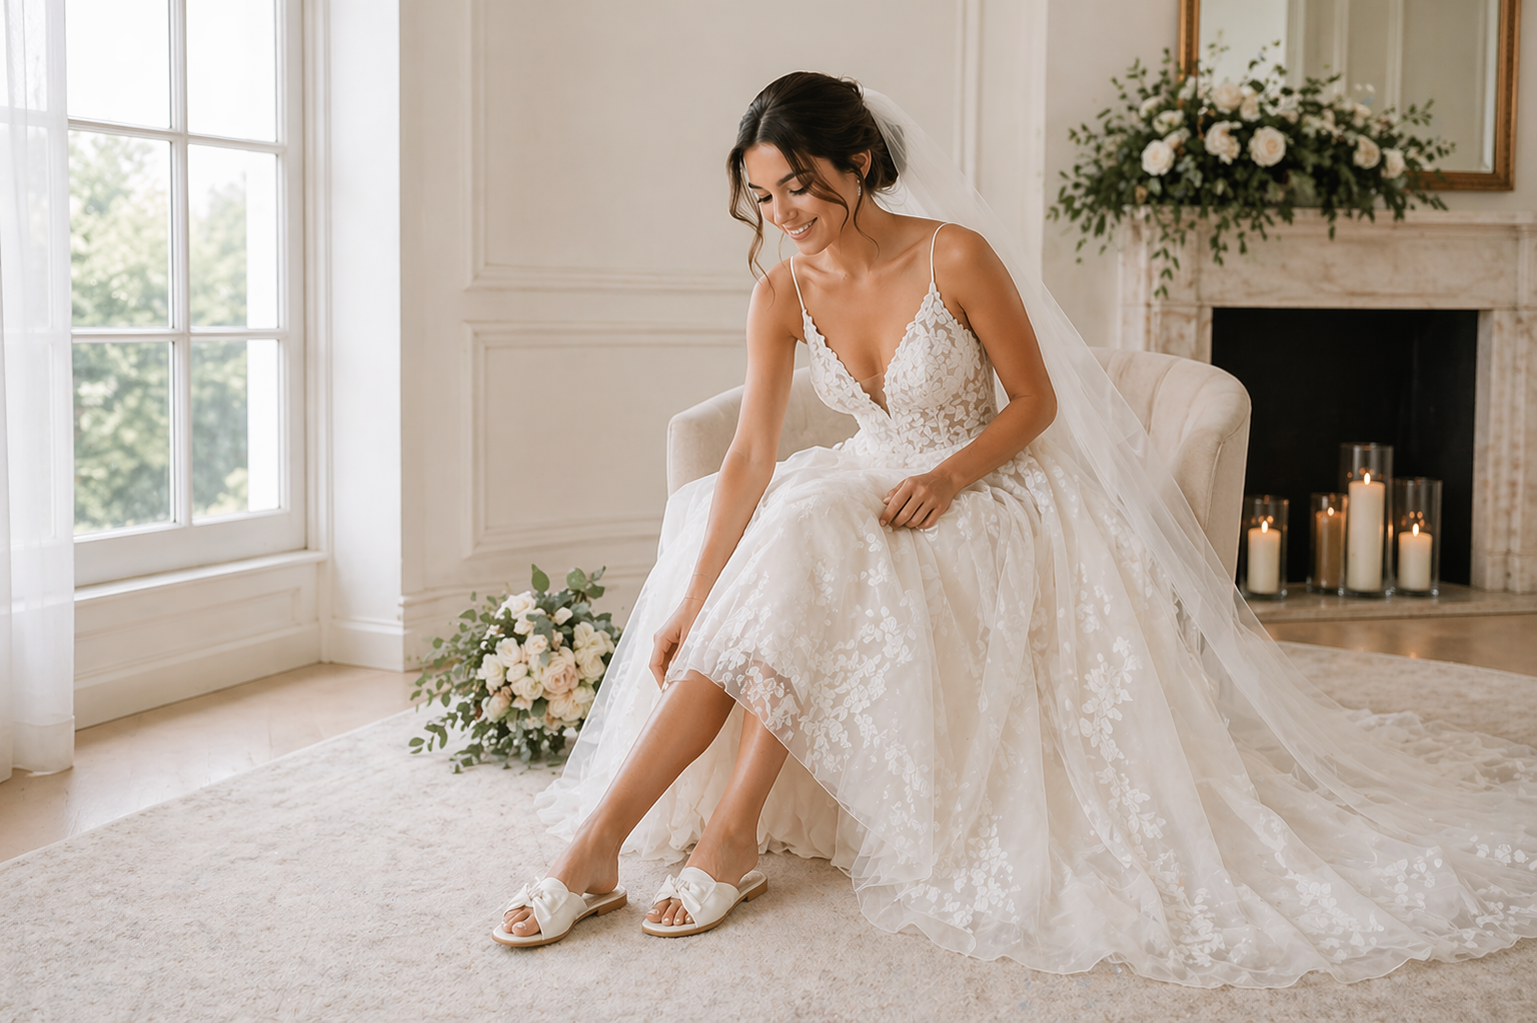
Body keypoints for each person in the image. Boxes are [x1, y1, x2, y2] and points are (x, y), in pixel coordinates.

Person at [499, 72, 1537, 987]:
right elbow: (746, 460)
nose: (783, 216)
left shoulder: (954, 254)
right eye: (763, 197)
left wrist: (948, 478)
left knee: (821, 539)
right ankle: (612, 846)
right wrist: (691, 602)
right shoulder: (781, 289)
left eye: (801, 189)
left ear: (857, 162)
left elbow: (1034, 403)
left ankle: (701, 843)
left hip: (986, 492)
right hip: (858, 491)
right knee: (808, 527)